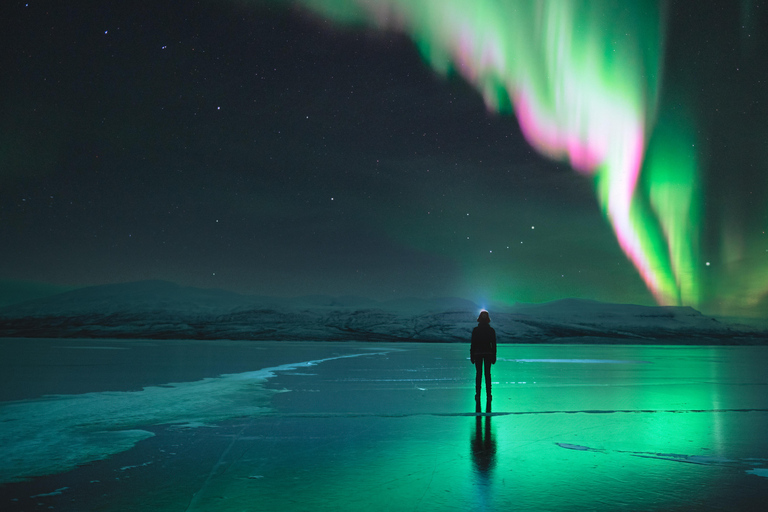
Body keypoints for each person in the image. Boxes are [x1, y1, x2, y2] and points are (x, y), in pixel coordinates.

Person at [470, 310, 497, 402]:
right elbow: (493, 344)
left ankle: (478, 394)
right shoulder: (491, 330)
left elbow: (473, 344)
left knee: (479, 374)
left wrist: (472, 355)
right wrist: (494, 356)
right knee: (487, 374)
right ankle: (489, 395)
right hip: (488, 354)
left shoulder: (476, 330)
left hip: (478, 354)